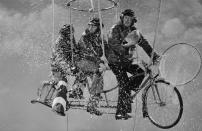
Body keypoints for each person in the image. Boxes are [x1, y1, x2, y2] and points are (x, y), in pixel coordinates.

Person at [106, 9, 160, 120]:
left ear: (133, 21)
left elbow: (144, 43)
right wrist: (125, 50)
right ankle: (120, 112)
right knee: (124, 81)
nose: (127, 20)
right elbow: (113, 43)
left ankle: (126, 93)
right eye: (126, 18)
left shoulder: (133, 31)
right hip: (115, 61)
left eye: (130, 19)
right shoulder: (115, 28)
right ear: (122, 18)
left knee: (141, 71)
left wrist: (153, 55)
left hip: (126, 61)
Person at [76, 17, 107, 115]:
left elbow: (104, 49)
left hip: (90, 62)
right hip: (82, 61)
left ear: (98, 28)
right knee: (98, 71)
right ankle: (93, 96)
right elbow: (89, 52)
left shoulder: (98, 38)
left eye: (93, 26)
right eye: (90, 25)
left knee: (100, 76)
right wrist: (99, 60)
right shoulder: (86, 36)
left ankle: (94, 101)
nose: (90, 27)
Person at [50, 24, 76, 116]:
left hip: (66, 68)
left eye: (72, 33)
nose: (71, 34)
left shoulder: (71, 41)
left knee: (81, 73)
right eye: (69, 33)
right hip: (57, 68)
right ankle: (58, 106)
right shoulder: (60, 42)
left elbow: (75, 52)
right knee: (62, 85)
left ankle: (73, 94)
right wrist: (69, 68)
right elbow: (59, 58)